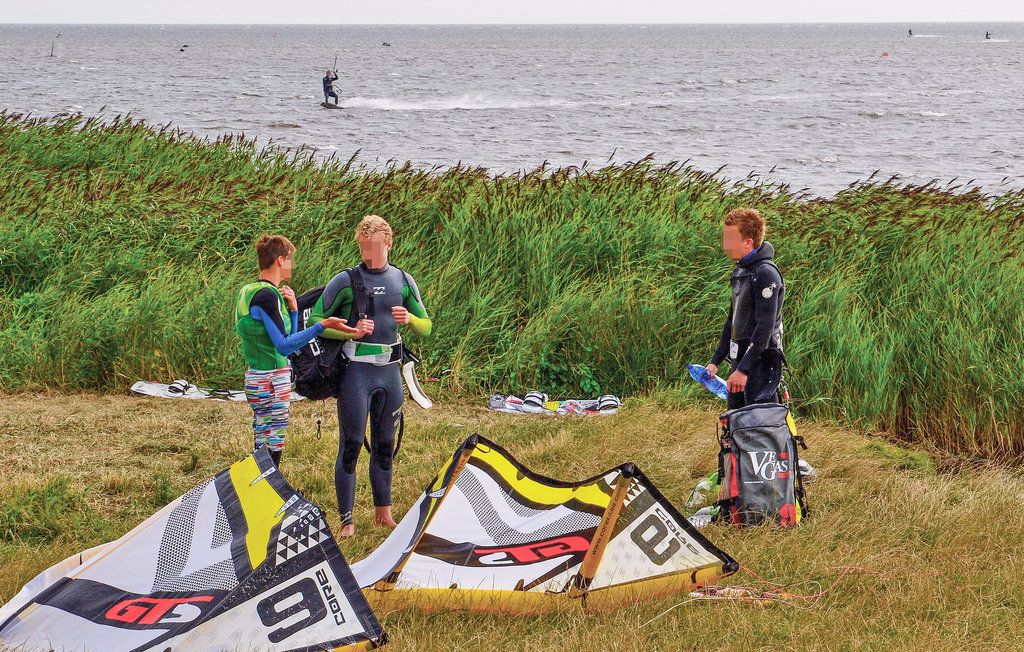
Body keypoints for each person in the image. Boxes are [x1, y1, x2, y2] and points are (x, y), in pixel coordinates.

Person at [310, 215, 432, 537]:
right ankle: (347, 522)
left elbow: (427, 326)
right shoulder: (346, 281)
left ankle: (383, 514)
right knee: (350, 445)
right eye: (364, 247)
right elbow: (319, 321)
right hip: (356, 374)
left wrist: (410, 320)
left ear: (389, 244)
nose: (369, 254)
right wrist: (350, 330)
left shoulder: (403, 280)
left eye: (375, 247)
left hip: (390, 373)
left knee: (385, 445)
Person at [235, 235, 354, 467]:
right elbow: (284, 345)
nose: (293, 265)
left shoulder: (249, 291)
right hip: (271, 379)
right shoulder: (268, 296)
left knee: (261, 439)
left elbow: (276, 334)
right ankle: (268, 489)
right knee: (274, 444)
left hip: (256, 375)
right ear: (280, 260)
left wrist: (294, 311)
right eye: (291, 259)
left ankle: (261, 487)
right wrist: (321, 326)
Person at [705, 208, 786, 411]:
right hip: (740, 360)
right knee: (735, 420)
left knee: (760, 425)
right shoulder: (741, 271)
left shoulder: (766, 274)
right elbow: (732, 322)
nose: (724, 245)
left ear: (748, 242)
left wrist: (744, 370)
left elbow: (765, 326)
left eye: (729, 239)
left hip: (762, 362)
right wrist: (716, 361)